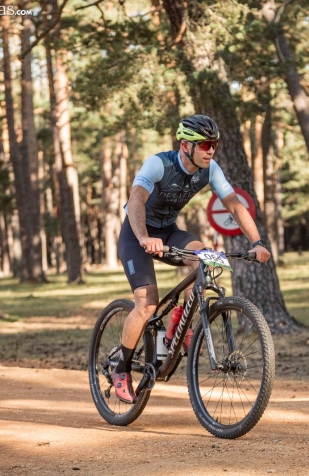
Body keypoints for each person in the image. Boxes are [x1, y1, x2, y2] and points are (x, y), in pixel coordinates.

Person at [113, 114, 271, 403]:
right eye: (205, 145)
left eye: (214, 145)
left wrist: (257, 242)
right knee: (147, 303)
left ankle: (179, 324)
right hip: (136, 235)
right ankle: (121, 369)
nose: (211, 150)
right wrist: (145, 237)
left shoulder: (210, 169)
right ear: (185, 146)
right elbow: (136, 200)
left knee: (203, 257)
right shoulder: (159, 163)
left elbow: (234, 204)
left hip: (169, 232)